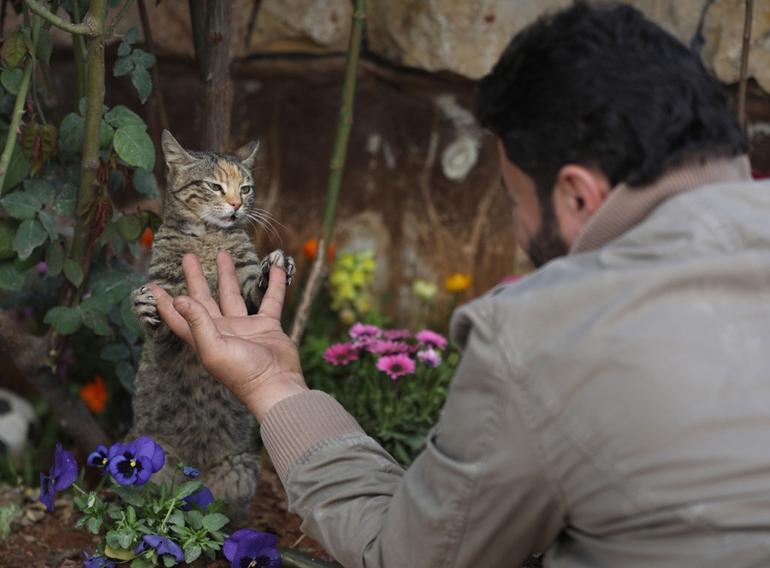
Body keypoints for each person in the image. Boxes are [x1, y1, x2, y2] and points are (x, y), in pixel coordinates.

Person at [150, 3, 770, 567]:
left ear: (577, 193)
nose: (520, 231)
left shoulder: (546, 333)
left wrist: (272, 387)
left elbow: (415, 560)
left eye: (511, 199)